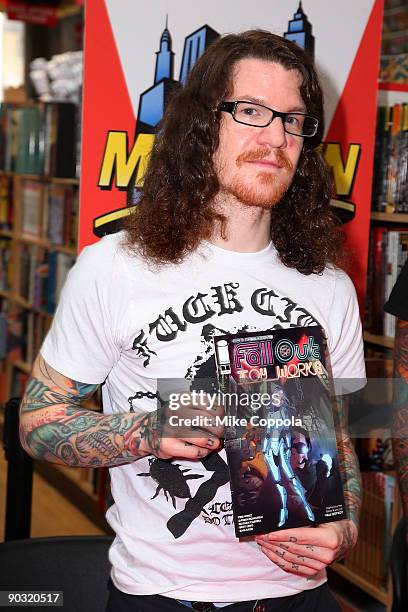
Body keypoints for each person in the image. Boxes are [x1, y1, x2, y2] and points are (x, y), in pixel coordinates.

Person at [20, 30, 366, 612]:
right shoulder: (115, 268)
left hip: (302, 599)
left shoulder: (328, 286)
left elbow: (340, 445)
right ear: (201, 125)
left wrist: (346, 528)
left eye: (292, 120)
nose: (274, 137)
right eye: (251, 111)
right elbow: (36, 422)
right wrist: (148, 429)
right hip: (164, 596)